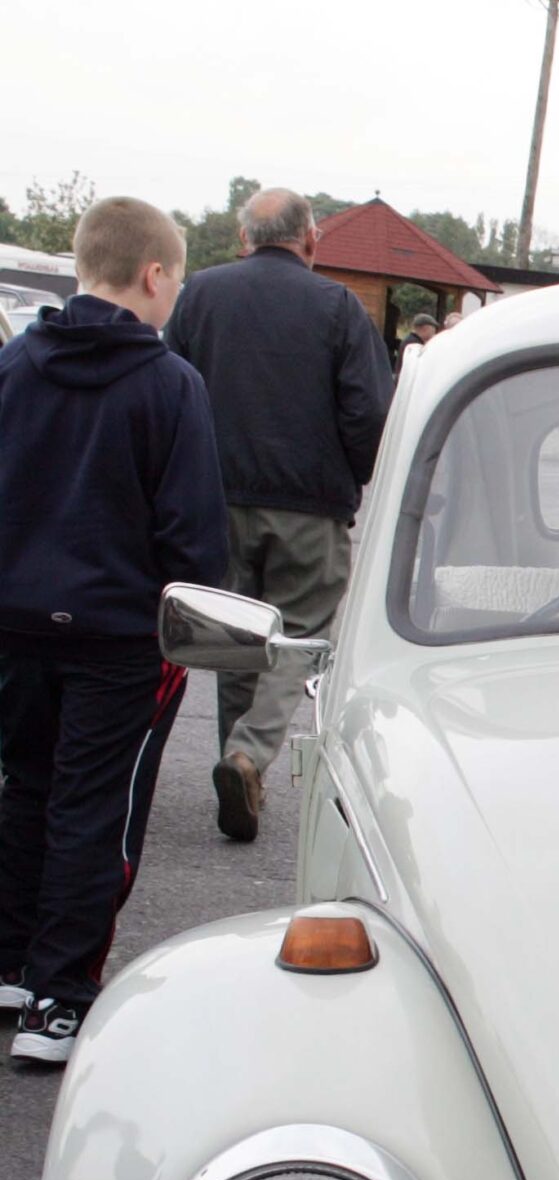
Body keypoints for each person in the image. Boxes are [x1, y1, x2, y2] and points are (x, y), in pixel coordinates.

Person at [0, 198, 227, 1066]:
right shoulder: (170, 384)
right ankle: (60, 997)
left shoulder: (16, 364)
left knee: (26, 783)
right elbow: (192, 533)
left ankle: (12, 960)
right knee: (97, 807)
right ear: (155, 275)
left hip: (16, 621)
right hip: (120, 632)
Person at [162, 187, 392, 843]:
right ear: (311, 239)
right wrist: (352, 475)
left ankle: (239, 760)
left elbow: (170, 391)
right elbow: (367, 413)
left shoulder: (199, 296)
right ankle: (251, 754)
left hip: (216, 499)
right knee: (296, 635)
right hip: (309, 506)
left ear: (243, 239)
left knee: (237, 633)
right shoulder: (339, 307)